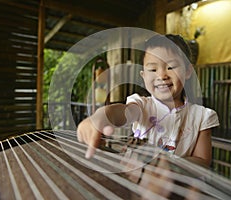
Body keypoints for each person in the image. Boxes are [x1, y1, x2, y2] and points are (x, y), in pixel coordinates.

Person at [77, 34, 219, 167]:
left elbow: (202, 160)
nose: (162, 75)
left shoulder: (202, 116)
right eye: (152, 69)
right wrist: (102, 115)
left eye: (171, 67)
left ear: (188, 71)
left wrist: (169, 165)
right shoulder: (141, 105)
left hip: (180, 189)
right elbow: (123, 112)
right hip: (136, 183)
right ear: (143, 76)